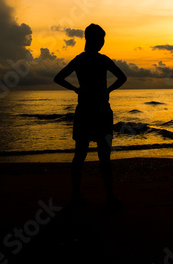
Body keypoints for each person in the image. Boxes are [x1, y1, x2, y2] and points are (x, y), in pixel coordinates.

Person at [54, 23, 127, 208]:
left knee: (80, 154)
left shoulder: (80, 60)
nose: (102, 43)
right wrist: (108, 90)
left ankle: (77, 196)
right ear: (96, 40)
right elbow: (122, 77)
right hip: (101, 109)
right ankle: (109, 197)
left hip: (85, 109)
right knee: (104, 156)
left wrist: (77, 90)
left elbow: (58, 78)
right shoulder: (103, 60)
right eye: (101, 39)